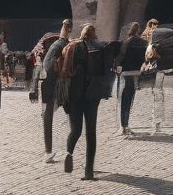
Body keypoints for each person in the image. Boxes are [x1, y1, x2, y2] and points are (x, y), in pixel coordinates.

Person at [62, 23, 119, 181]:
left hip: (75, 93)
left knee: (75, 129)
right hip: (93, 93)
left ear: (82, 33)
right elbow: (110, 63)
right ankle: (89, 171)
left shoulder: (73, 46)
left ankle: (69, 153)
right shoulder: (101, 47)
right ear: (94, 34)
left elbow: (65, 71)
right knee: (91, 131)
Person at [39, 19, 72, 163]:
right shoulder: (65, 45)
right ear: (69, 30)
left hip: (46, 81)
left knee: (47, 115)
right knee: (53, 114)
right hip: (53, 82)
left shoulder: (55, 44)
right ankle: (51, 152)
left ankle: (48, 152)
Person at [145, 21, 173, 133]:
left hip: (158, 74)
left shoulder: (153, 45)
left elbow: (147, 59)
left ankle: (157, 125)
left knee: (158, 100)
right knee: (172, 99)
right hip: (171, 72)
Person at [113, 22, 146, 137]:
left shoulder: (126, 42)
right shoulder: (143, 43)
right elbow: (145, 58)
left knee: (122, 100)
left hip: (125, 73)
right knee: (130, 99)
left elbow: (121, 57)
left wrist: (116, 68)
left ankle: (122, 126)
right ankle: (126, 125)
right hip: (136, 73)